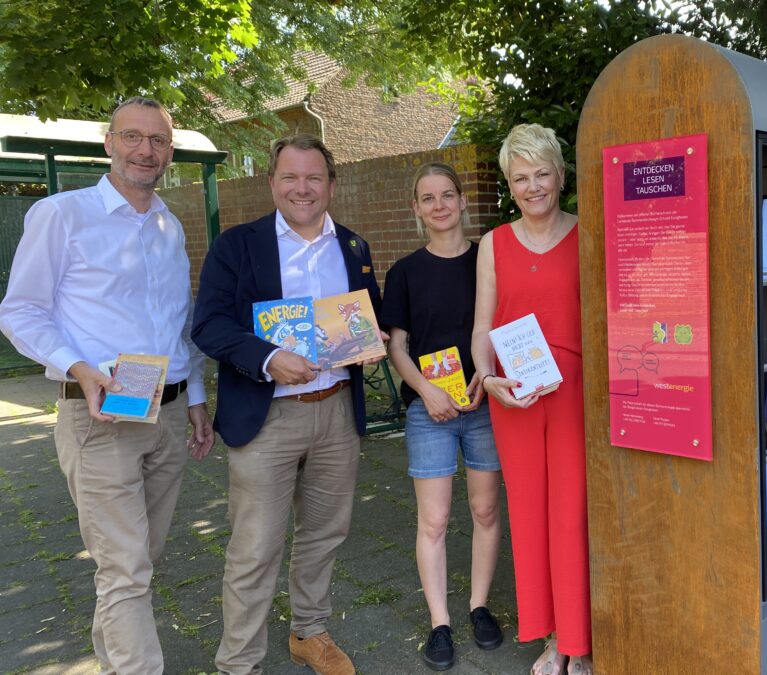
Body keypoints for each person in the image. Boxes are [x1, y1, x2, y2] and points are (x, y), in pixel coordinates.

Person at [0, 96, 214, 674]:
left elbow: (179, 320)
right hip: (100, 416)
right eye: (132, 137)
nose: (146, 150)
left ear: (170, 151)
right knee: (125, 568)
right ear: (108, 144)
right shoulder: (61, 214)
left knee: (140, 561)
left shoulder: (168, 223)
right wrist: (77, 366)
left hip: (165, 413)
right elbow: (19, 312)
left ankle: (115, 662)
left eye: (159, 141)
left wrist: (195, 398)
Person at [192, 133, 384, 675]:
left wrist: (371, 344)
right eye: (291, 177)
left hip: (336, 412)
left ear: (331, 185)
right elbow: (208, 326)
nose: (303, 188)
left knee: (325, 533)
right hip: (267, 416)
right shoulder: (238, 245)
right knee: (255, 548)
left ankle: (309, 631)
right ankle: (240, 662)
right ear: (272, 182)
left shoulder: (352, 246)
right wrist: (270, 356)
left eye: (314, 178)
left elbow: (365, 315)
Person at [471, 124, 592, 675]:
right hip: (513, 394)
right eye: (521, 178)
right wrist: (484, 373)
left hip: (573, 394)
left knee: (572, 516)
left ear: (560, 176)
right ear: (509, 185)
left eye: (542, 173)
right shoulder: (493, 244)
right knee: (528, 516)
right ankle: (547, 637)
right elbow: (480, 326)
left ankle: (579, 641)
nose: (532, 186)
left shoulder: (588, 233)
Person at [382, 162, 504, 671]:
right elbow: (397, 347)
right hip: (428, 409)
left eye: (447, 195)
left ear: (461, 201)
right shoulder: (405, 272)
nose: (439, 205)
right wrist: (425, 391)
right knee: (433, 519)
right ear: (416, 209)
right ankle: (439, 622)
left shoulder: (488, 261)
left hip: (483, 405)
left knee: (485, 512)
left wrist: (489, 376)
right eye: (427, 198)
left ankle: (478, 606)